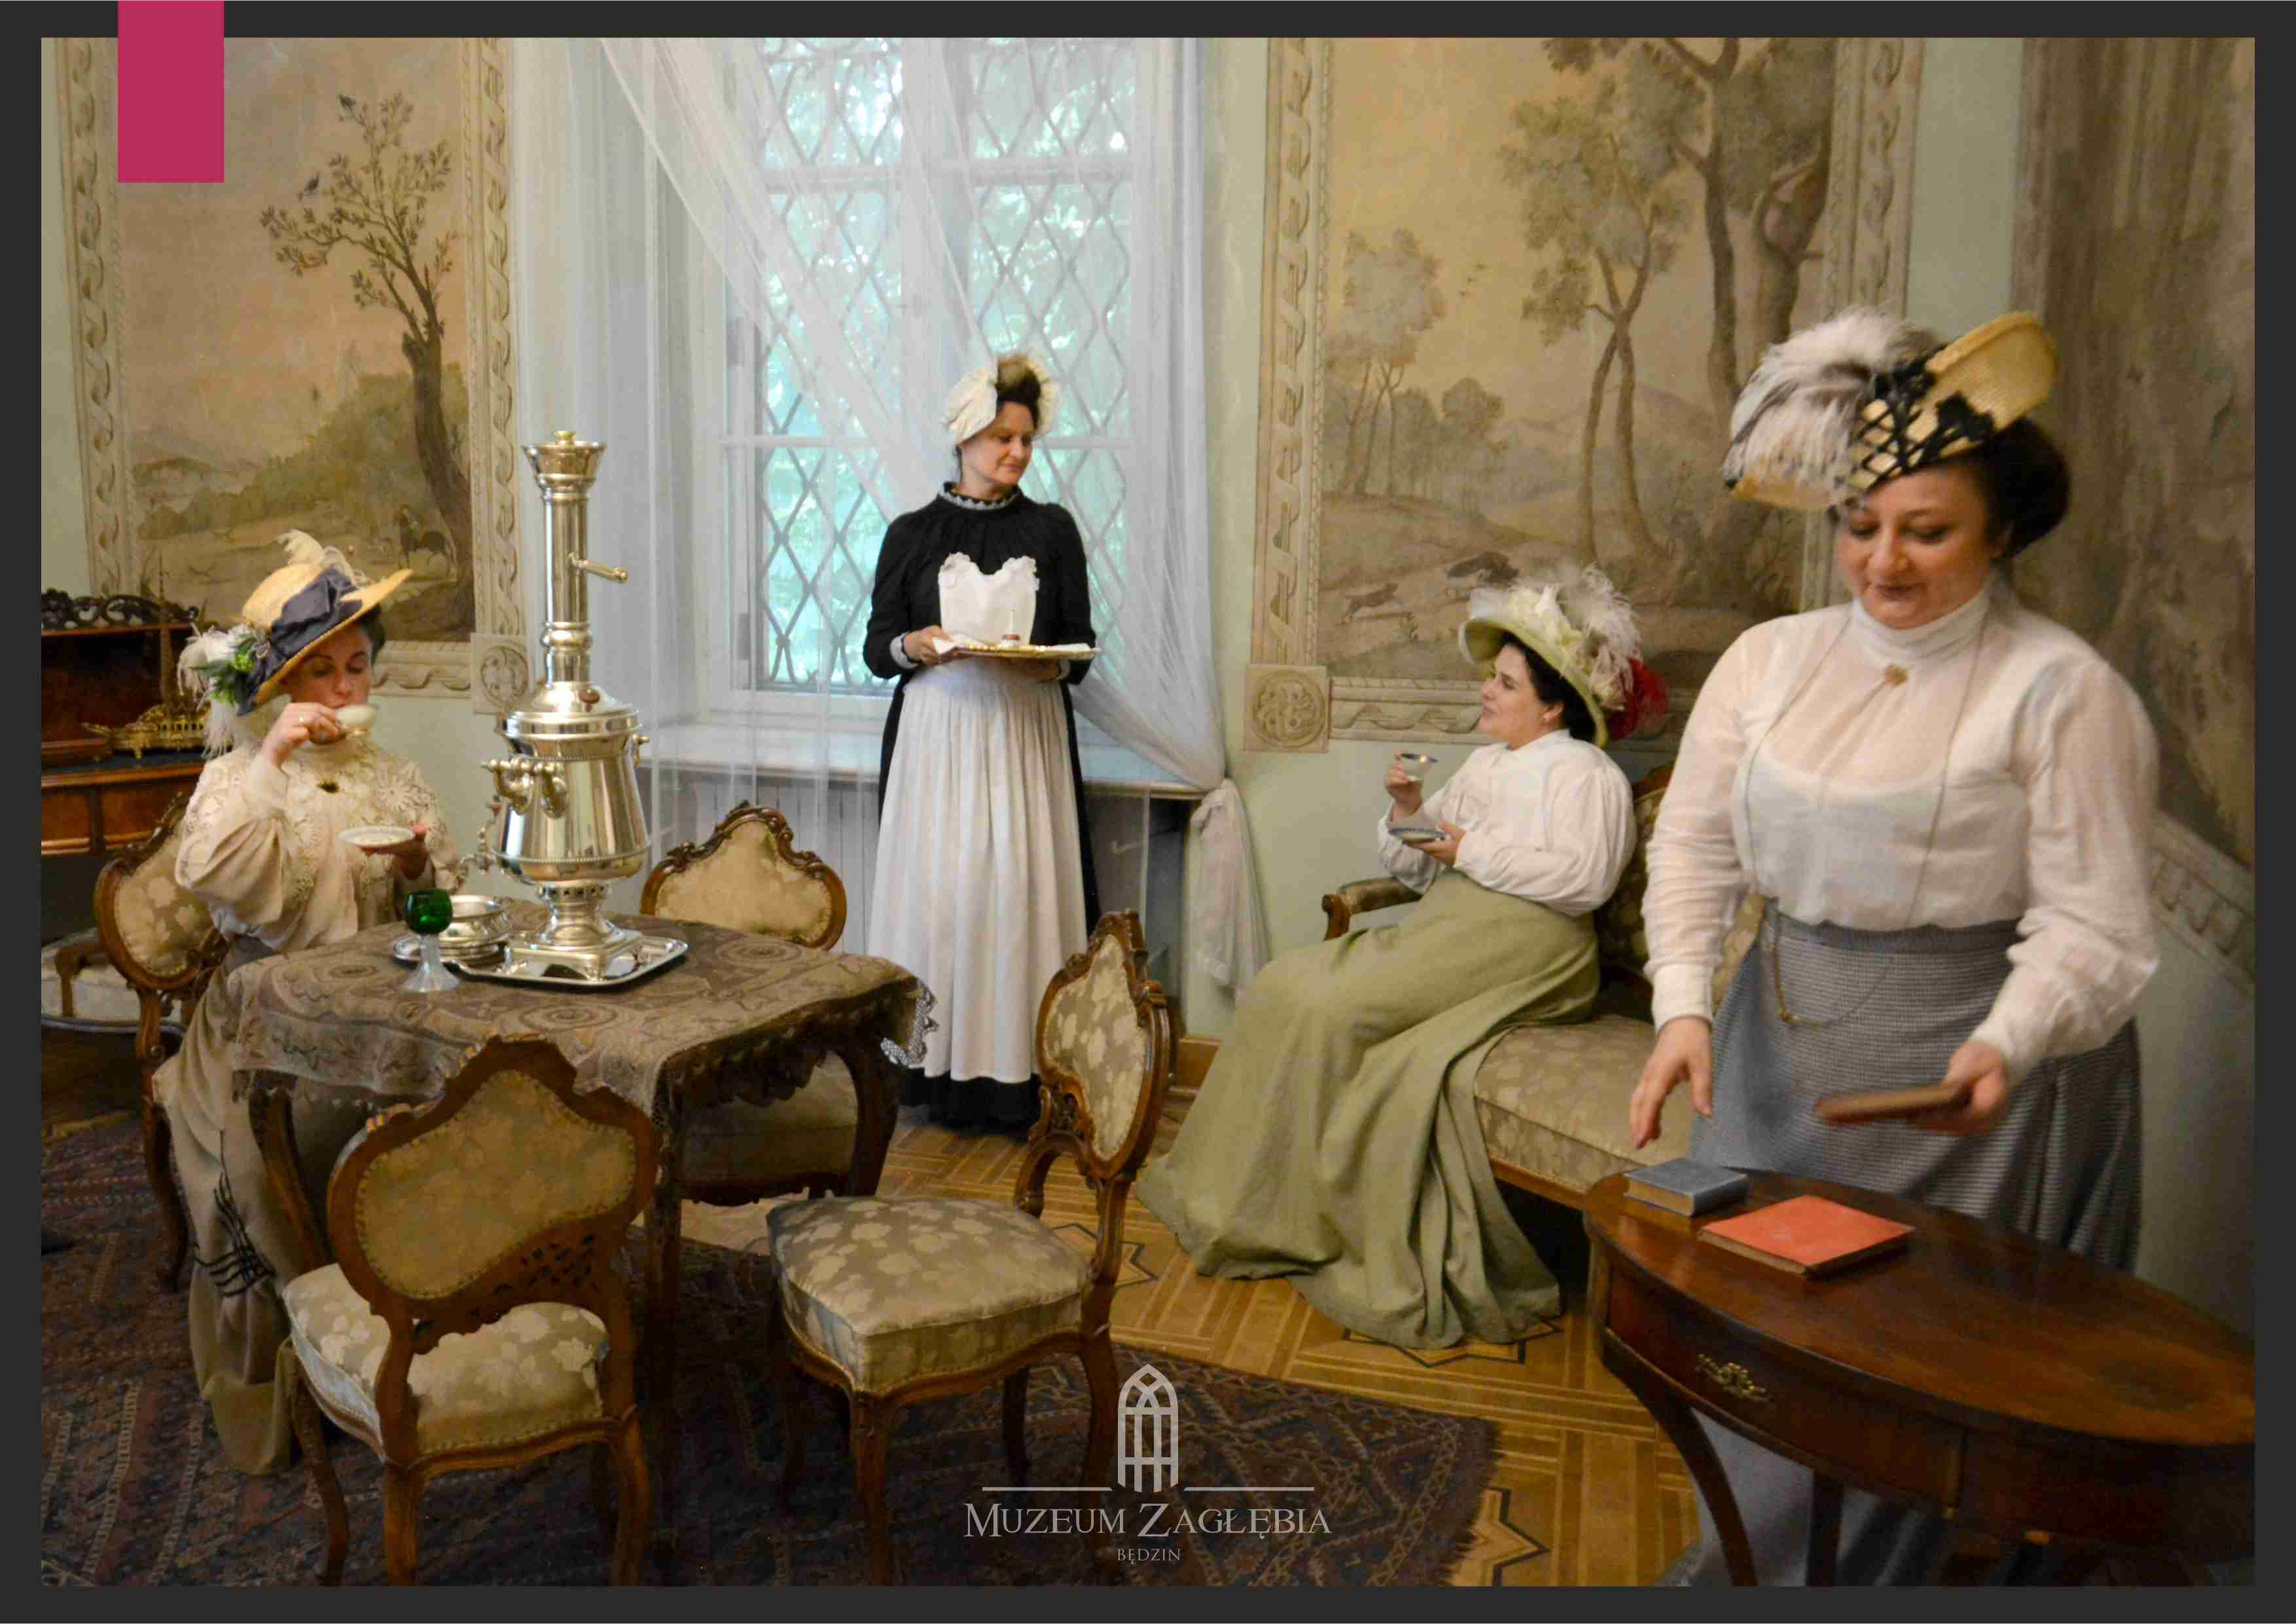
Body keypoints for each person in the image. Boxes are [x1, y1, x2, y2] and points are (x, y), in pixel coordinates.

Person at [1628, 309, 2160, 1585]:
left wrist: (2006, 1041)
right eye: (1859, 526)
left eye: (1925, 531)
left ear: (2000, 532)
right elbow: (1690, 846)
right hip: (1772, 1051)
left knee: (1904, 1388)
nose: (1882, 561)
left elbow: (2094, 923)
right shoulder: (1768, 660)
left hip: (1968, 1084)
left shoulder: (2060, 691)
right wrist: (1683, 1005)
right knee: (1757, 1350)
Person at [1136, 566, 1664, 1348]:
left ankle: (1301, 1216)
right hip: (1453, 927)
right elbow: (1418, 864)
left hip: (1530, 947)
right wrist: (1409, 809)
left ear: (1553, 706)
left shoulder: (1588, 777)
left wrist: (1467, 849)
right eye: (1492, 676)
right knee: (1285, 984)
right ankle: (1253, 1196)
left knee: (1331, 1007)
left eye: (1506, 682)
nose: (1486, 689)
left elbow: (1582, 883)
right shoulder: (1486, 764)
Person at [153, 533, 463, 1474]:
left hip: (380, 1015)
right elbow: (212, 873)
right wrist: (275, 753)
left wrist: (418, 866)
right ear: (282, 685)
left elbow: (439, 905)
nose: (341, 686)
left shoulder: (391, 775)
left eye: (355, 665)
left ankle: (417, 1349)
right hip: (260, 1027)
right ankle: (293, 1370)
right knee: (262, 1184)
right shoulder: (237, 778)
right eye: (318, 671)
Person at [863, 351, 1100, 1131]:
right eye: (1003, 438)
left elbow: (1080, 648)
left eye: (1026, 439)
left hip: (1024, 742)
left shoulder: (1052, 531)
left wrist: (1044, 665)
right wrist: (915, 644)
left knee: (1018, 898)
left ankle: (1021, 1076)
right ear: (964, 437)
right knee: (943, 900)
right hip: (937, 745)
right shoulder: (910, 534)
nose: (1018, 452)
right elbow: (877, 649)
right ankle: (927, 1073)